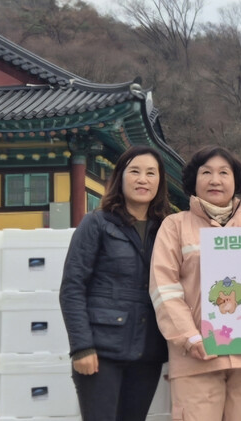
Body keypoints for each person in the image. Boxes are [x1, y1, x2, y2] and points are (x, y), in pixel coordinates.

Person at [150, 145, 241, 421]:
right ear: (194, 181)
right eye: (206, 172)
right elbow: (164, 288)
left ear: (235, 181)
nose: (215, 180)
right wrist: (189, 336)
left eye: (223, 173)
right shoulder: (175, 225)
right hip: (196, 356)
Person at [59, 145, 171, 421]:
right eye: (135, 171)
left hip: (148, 351)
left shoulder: (167, 229)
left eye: (151, 173)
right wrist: (81, 347)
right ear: (120, 176)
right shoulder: (96, 223)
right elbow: (72, 288)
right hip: (102, 350)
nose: (142, 179)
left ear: (160, 181)